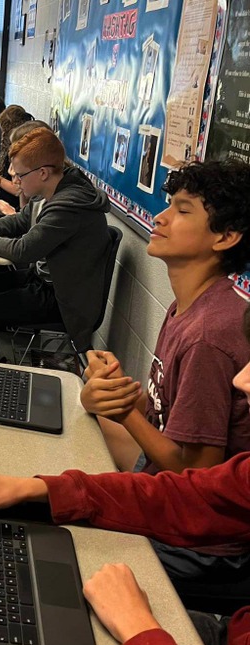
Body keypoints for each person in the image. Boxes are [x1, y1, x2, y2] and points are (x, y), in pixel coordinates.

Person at [0, 308, 250, 645]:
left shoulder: (208, 334)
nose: (240, 379)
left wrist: (143, 635)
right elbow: (183, 497)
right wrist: (37, 489)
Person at [79, 160, 250, 594]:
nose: (160, 217)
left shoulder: (210, 335)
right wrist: (109, 394)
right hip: (170, 483)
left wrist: (124, 412)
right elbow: (162, 413)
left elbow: (193, 475)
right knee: (79, 428)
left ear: (225, 237)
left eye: (183, 210)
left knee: (76, 548)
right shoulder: (189, 305)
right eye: (168, 205)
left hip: (206, 544)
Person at [0, 127, 110, 360]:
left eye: (20, 175)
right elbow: (21, 221)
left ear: (42, 173)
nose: (16, 181)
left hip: (62, 299)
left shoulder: (68, 206)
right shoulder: (49, 192)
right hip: (43, 280)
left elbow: (22, 251)